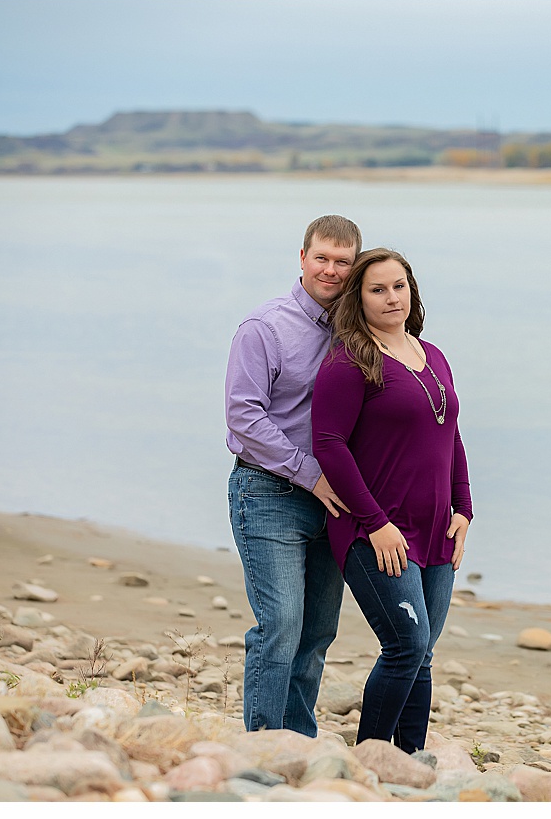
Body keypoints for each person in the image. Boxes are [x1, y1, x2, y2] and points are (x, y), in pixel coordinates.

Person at [312, 248, 472, 752]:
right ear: (358, 299)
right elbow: (328, 445)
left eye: (398, 286)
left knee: (422, 653)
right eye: (377, 290)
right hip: (377, 531)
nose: (391, 298)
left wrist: (464, 509)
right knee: (405, 645)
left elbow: (451, 434)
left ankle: (409, 763)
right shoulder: (349, 361)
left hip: (435, 529)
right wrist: (376, 523)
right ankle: (369, 761)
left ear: (412, 289)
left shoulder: (434, 356)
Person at [224, 215, 360, 735]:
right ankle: (261, 743)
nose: (330, 269)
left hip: (334, 502)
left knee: (318, 632)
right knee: (280, 627)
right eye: (321, 257)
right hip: (269, 492)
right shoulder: (264, 327)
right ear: (301, 258)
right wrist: (311, 474)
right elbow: (244, 416)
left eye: (342, 261)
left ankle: (297, 740)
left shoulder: (355, 331)